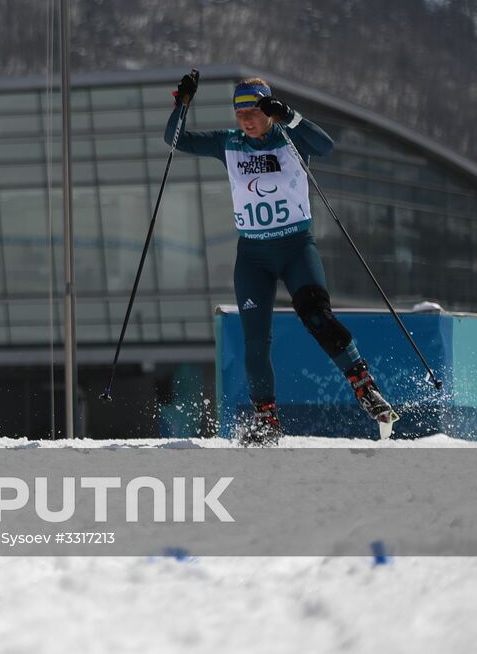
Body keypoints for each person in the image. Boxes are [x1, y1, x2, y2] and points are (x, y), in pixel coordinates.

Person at [166, 73, 397, 445]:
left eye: (253, 111)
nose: (245, 119)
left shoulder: (290, 139)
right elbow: (174, 141)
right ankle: (267, 421)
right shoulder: (229, 143)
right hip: (254, 256)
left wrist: (290, 116)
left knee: (316, 316)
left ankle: (365, 387)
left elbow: (325, 146)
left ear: (268, 111)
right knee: (255, 342)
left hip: (295, 248)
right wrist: (183, 104)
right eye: (239, 112)